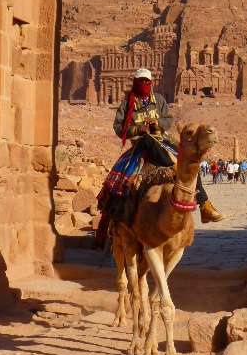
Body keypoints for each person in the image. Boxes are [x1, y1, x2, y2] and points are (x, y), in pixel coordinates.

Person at [94, 68, 226, 248]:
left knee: (189, 161)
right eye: (141, 81)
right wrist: (137, 129)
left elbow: (168, 121)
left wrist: (156, 123)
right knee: (120, 183)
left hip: (162, 141)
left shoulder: (159, 100)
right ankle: (116, 222)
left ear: (151, 83)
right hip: (140, 144)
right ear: (135, 82)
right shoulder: (127, 103)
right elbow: (119, 127)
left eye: (147, 81)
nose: (144, 84)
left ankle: (204, 205)